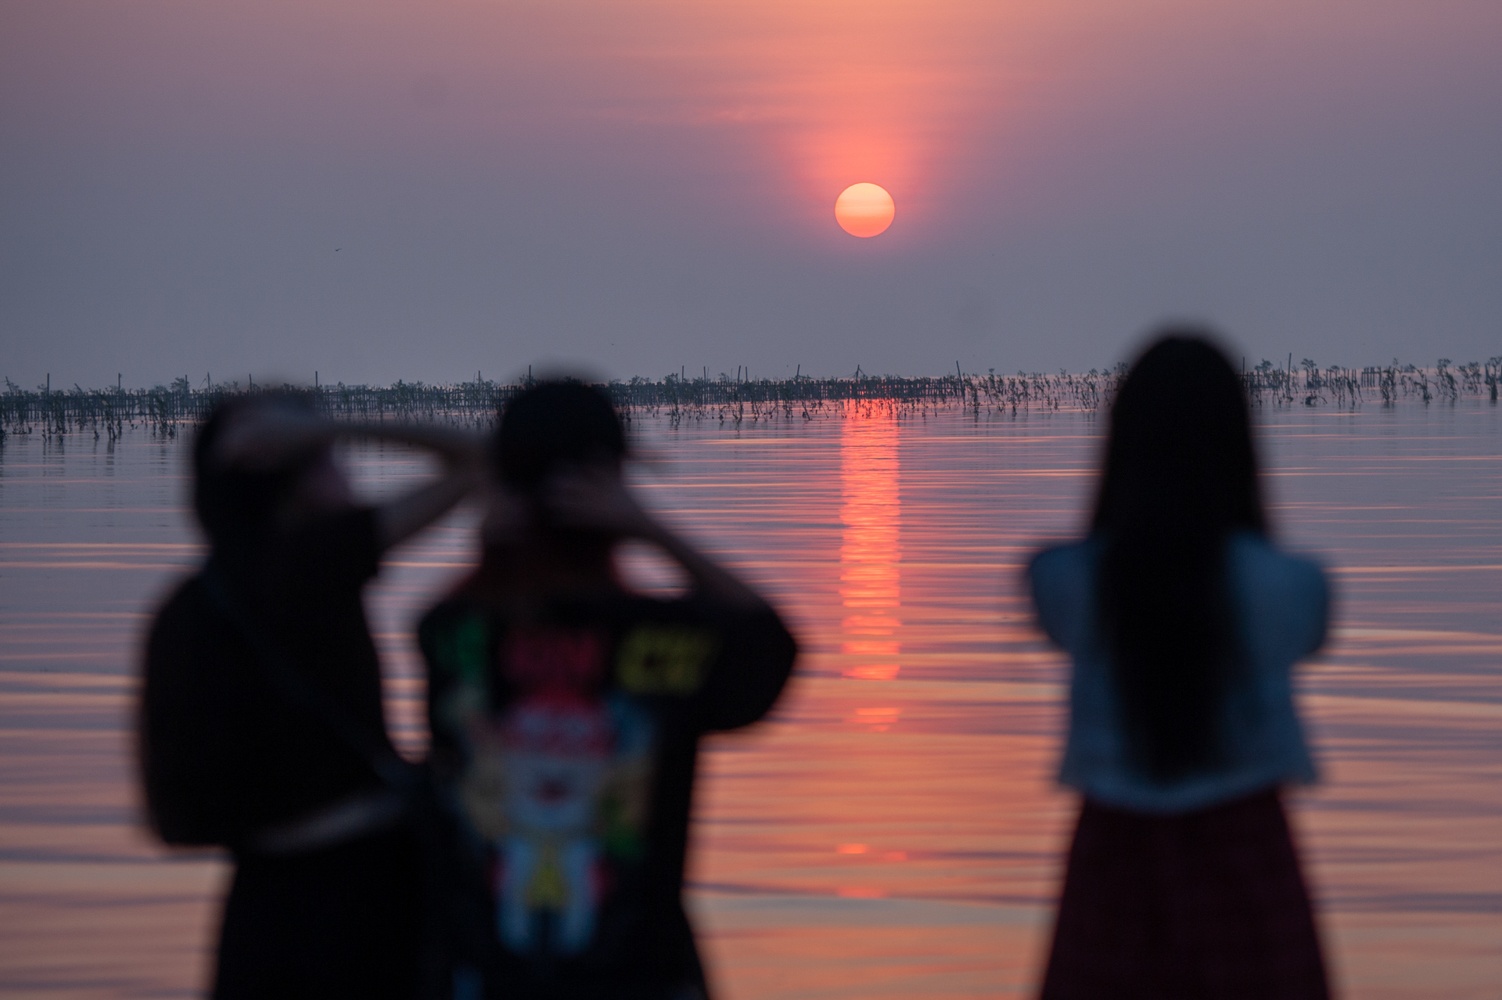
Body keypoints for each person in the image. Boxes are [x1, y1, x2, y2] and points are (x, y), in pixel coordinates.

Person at [418, 380, 797, 1000]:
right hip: (643, 976)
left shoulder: (459, 636)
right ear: (612, 487)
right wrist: (653, 530)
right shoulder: (659, 639)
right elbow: (770, 641)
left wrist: (490, 548)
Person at [139, 392, 482, 999]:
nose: (344, 471)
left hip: (258, 905)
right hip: (363, 894)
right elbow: (478, 461)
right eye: (327, 459)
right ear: (290, 479)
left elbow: (171, 815)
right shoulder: (314, 565)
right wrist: (334, 423)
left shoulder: (182, 611)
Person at [1028, 333, 1333, 999]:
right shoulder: (1291, 587)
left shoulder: (1068, 582)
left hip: (1111, 857)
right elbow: (1311, 632)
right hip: (1247, 856)